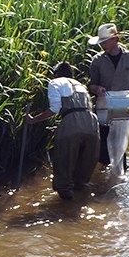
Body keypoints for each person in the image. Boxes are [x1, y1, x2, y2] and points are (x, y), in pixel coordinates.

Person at [25, 62, 100, 200]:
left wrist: (33, 120)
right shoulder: (80, 85)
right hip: (92, 124)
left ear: (56, 74)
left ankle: (65, 208)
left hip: (72, 123)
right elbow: (81, 109)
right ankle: (79, 207)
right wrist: (62, 127)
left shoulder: (55, 82)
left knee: (64, 168)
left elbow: (55, 109)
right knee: (83, 173)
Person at [86, 23, 129, 173]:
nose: (102, 45)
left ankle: (120, 171)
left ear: (115, 39)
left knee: (121, 141)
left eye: (105, 42)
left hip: (125, 107)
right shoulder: (97, 61)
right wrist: (97, 89)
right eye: (101, 43)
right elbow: (91, 85)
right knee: (104, 142)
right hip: (104, 106)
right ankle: (105, 171)